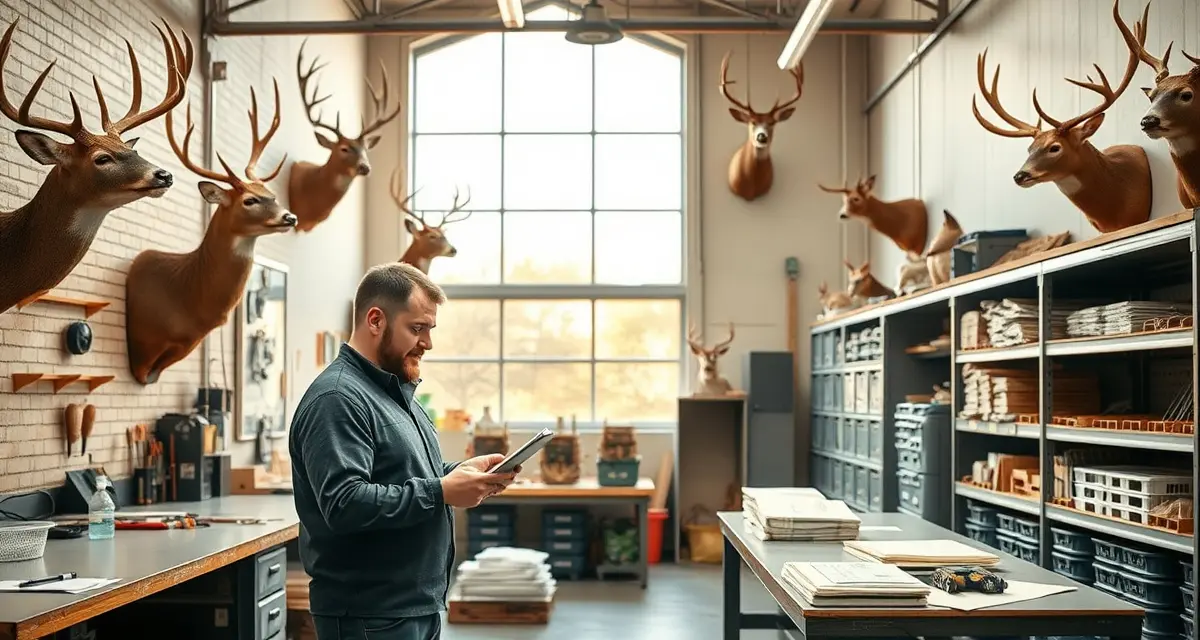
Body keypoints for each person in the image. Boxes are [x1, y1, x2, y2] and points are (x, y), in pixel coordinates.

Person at [290, 262, 519, 640]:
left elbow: (402, 472)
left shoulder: (392, 390)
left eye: (430, 330)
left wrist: (462, 472)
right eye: (417, 329)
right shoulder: (338, 398)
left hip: (410, 607)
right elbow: (344, 503)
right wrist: (443, 491)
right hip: (371, 615)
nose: (427, 343)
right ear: (376, 320)